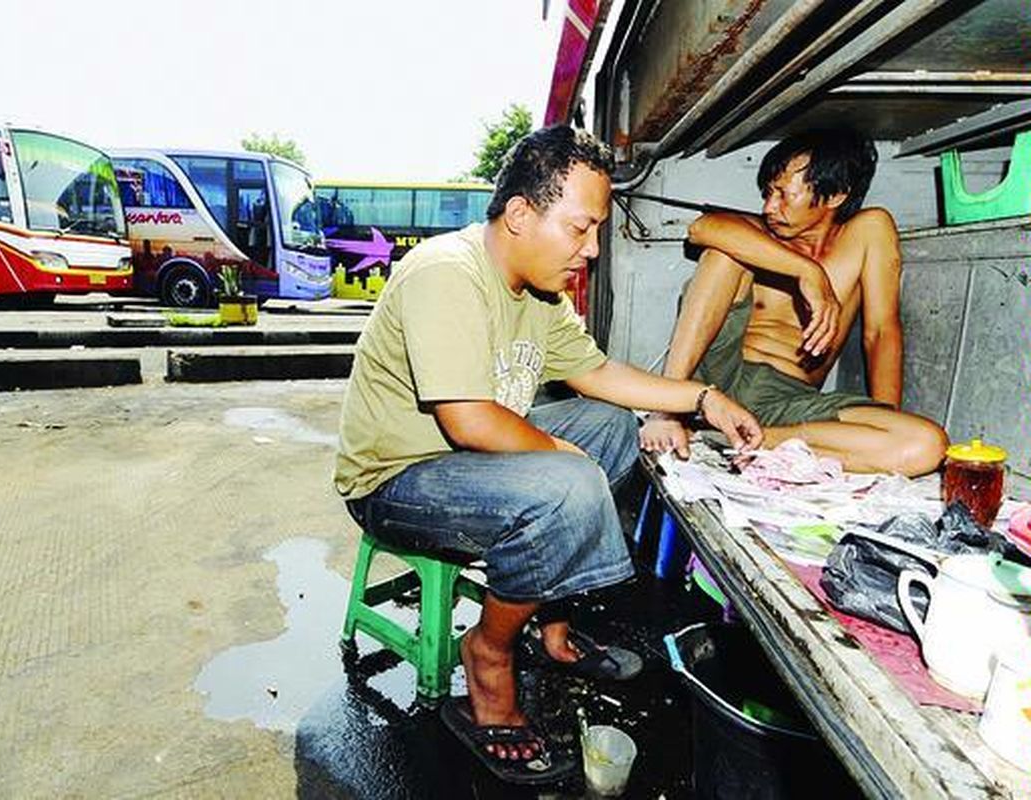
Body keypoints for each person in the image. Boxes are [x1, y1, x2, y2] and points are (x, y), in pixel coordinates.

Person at [334, 126, 762, 785]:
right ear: (519, 215)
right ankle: (490, 653)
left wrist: (704, 398)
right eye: (580, 229)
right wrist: (565, 463)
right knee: (567, 482)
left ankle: (546, 622)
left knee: (616, 427)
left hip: (467, 463)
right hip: (394, 479)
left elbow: (600, 375)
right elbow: (469, 419)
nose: (590, 250)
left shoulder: (541, 294)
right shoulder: (447, 275)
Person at [639, 128, 947, 476]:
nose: (770, 207)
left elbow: (881, 332)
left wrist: (884, 417)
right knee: (723, 253)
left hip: (789, 399)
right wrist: (808, 272)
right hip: (716, 379)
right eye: (768, 193)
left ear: (836, 195)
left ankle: (742, 439)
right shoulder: (757, 236)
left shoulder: (868, 232)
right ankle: (666, 411)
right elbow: (702, 229)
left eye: (784, 194)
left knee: (925, 445)